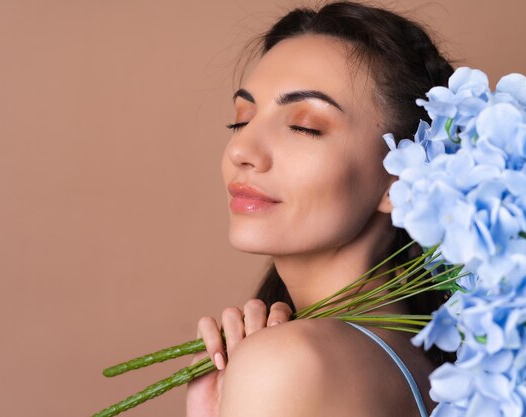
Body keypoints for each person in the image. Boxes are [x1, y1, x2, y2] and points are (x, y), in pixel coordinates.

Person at [186, 2, 454, 416]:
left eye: (305, 126)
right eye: (241, 120)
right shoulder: (423, 362)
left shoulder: (288, 364)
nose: (241, 149)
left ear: (401, 180)